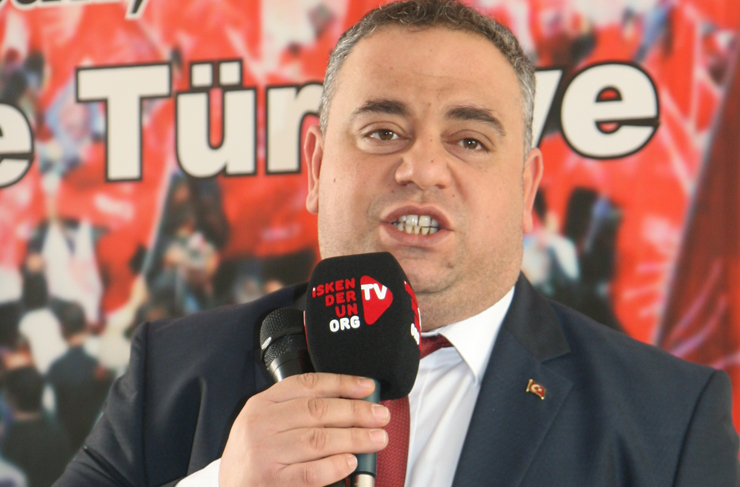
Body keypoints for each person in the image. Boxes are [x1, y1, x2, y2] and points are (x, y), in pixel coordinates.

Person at [54, 1, 739, 486]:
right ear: (317, 167)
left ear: (527, 188)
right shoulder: (173, 372)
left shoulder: (670, 417)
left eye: (470, 140)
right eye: (383, 132)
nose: (422, 168)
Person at [47, 302, 114, 453]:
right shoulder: (99, 366)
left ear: (62, 330)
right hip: (96, 444)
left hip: (67, 444)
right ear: (85, 326)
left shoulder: (55, 369)